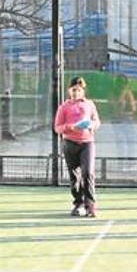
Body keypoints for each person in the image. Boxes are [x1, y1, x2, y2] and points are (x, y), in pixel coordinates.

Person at [54, 76, 101, 217]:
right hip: (69, 144)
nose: (76, 92)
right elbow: (57, 128)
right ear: (69, 90)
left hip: (87, 143)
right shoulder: (64, 107)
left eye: (78, 90)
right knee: (75, 177)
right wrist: (71, 127)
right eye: (73, 90)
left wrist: (92, 125)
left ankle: (90, 205)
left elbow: (96, 121)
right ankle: (78, 203)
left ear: (83, 91)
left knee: (88, 173)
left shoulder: (90, 104)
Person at [113, 75, 137, 169]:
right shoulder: (126, 92)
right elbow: (133, 107)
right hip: (126, 119)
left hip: (117, 120)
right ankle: (131, 164)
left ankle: (121, 165)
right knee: (129, 142)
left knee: (121, 143)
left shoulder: (113, 92)